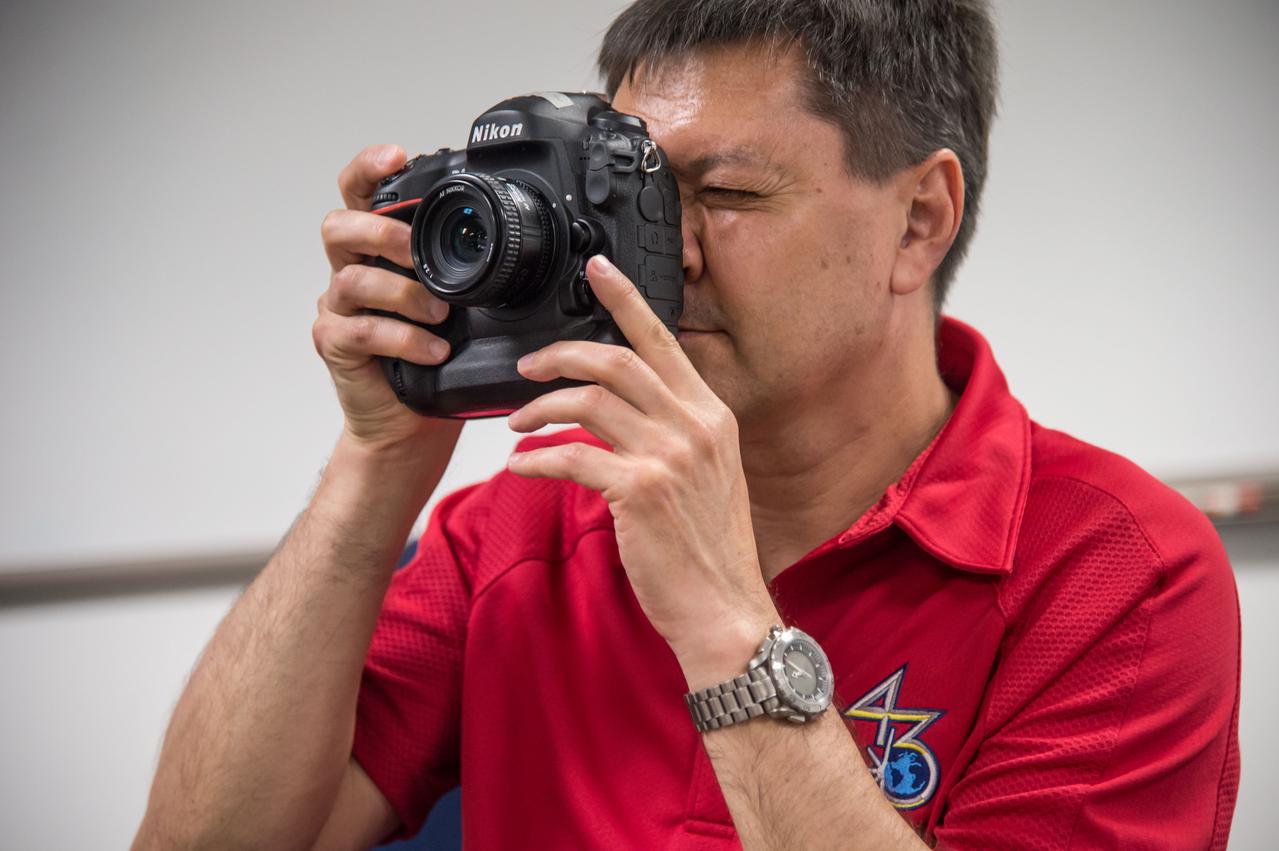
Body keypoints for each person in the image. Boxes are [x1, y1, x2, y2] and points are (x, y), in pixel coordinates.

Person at [133, 1, 1241, 848]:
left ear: (919, 219)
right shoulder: (515, 527)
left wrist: (727, 624)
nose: (663, 254)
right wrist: (377, 463)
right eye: (634, 194)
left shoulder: (1119, 570)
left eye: (726, 195)